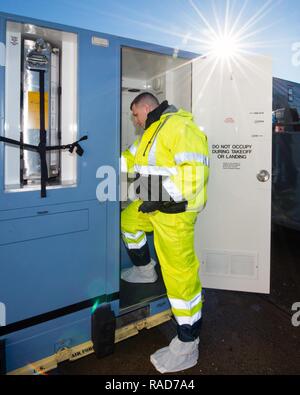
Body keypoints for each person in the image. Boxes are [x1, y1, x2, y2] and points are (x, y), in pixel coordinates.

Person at [121, 92, 209, 373]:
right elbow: (129, 160)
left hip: (174, 214)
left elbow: (195, 172)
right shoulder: (150, 132)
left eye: (134, 114)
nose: (134, 120)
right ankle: (145, 269)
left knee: (180, 278)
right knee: (128, 221)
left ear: (146, 107)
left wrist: (159, 196)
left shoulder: (180, 126)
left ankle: (188, 343)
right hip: (154, 207)